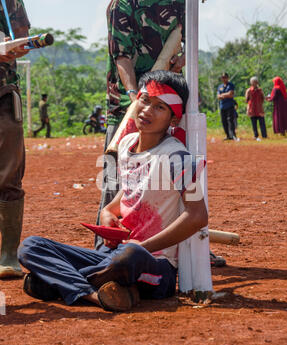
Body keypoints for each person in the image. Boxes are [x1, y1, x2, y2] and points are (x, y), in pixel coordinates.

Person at [18, 71, 208, 312]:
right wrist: (108, 212)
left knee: (128, 257)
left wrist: (143, 247)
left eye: (160, 107)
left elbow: (198, 215)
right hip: (112, 257)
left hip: (152, 265)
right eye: (145, 100)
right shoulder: (127, 145)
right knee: (31, 246)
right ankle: (96, 295)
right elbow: (126, 196)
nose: (147, 110)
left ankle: (57, 284)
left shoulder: (176, 157)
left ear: (173, 119)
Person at [97, 0, 186, 223]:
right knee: (115, 175)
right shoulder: (123, 5)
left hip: (168, 104)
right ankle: (106, 244)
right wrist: (136, 98)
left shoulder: (180, 3)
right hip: (128, 105)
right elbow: (122, 57)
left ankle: (186, 246)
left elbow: (186, 41)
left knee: (173, 175)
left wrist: (180, 61)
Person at [0, 0, 30, 279]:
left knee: (9, 175)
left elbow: (24, 37)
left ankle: (8, 254)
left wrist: (15, 45)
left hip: (4, 95)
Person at [245, 77, 267, 141]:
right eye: (253, 82)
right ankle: (256, 135)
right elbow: (247, 100)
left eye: (255, 82)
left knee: (262, 123)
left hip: (259, 109)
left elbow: (263, 98)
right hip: (252, 109)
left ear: (257, 82)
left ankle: (264, 135)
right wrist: (248, 109)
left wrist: (260, 104)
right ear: (251, 83)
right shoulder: (249, 90)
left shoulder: (260, 90)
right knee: (254, 124)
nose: (254, 83)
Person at [217, 73, 237, 141]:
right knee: (224, 121)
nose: (224, 79)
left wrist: (222, 95)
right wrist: (225, 95)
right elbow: (218, 96)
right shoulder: (220, 86)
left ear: (228, 78)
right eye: (222, 77)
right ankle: (228, 135)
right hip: (222, 106)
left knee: (230, 121)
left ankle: (233, 135)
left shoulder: (230, 85)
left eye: (225, 77)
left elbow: (231, 94)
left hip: (230, 106)